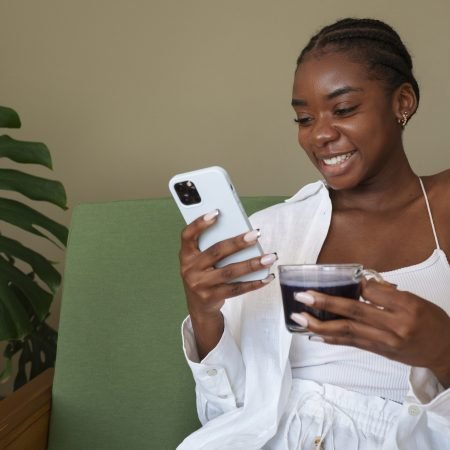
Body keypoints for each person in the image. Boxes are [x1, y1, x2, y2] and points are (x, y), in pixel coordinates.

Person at [176, 17, 450, 450]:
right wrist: (206, 316)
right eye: (304, 118)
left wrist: (444, 351)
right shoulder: (268, 234)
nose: (320, 134)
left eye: (344, 110)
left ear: (403, 101)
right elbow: (226, 418)